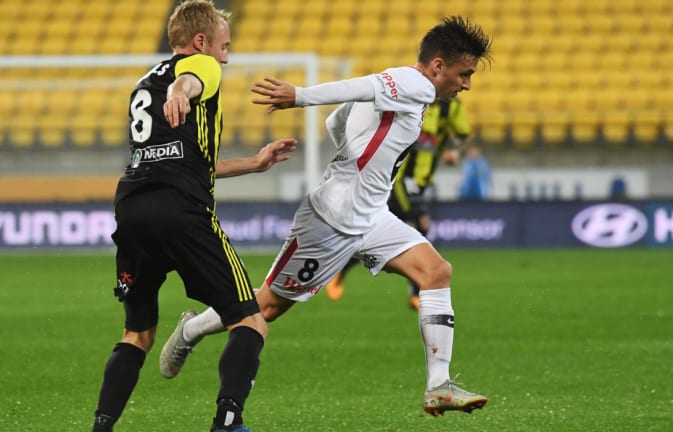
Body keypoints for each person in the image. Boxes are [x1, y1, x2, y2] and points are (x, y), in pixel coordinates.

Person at [159, 16, 492, 417]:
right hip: (331, 220)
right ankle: (190, 330)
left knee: (436, 272)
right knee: (266, 308)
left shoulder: (402, 89)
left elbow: (339, 120)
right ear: (438, 66)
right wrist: (299, 96)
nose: (466, 84)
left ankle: (438, 386)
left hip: (372, 215)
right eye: (464, 74)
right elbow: (359, 87)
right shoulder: (416, 84)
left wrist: (355, 162)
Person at [91, 2, 297, 432]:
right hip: (181, 210)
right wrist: (180, 92)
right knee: (251, 320)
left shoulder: (143, 84)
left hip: (131, 207)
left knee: (138, 334)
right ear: (201, 42)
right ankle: (228, 423)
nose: (226, 57)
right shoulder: (200, 66)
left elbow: (185, 161)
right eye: (224, 46)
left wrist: (254, 163)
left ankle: (101, 427)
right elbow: (190, 79)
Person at [325, 98, 471, 309]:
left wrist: (455, 150)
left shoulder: (452, 106)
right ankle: (416, 293)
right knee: (420, 225)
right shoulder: (411, 97)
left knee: (382, 233)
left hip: (421, 182)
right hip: (399, 179)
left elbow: (462, 136)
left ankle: (341, 267)